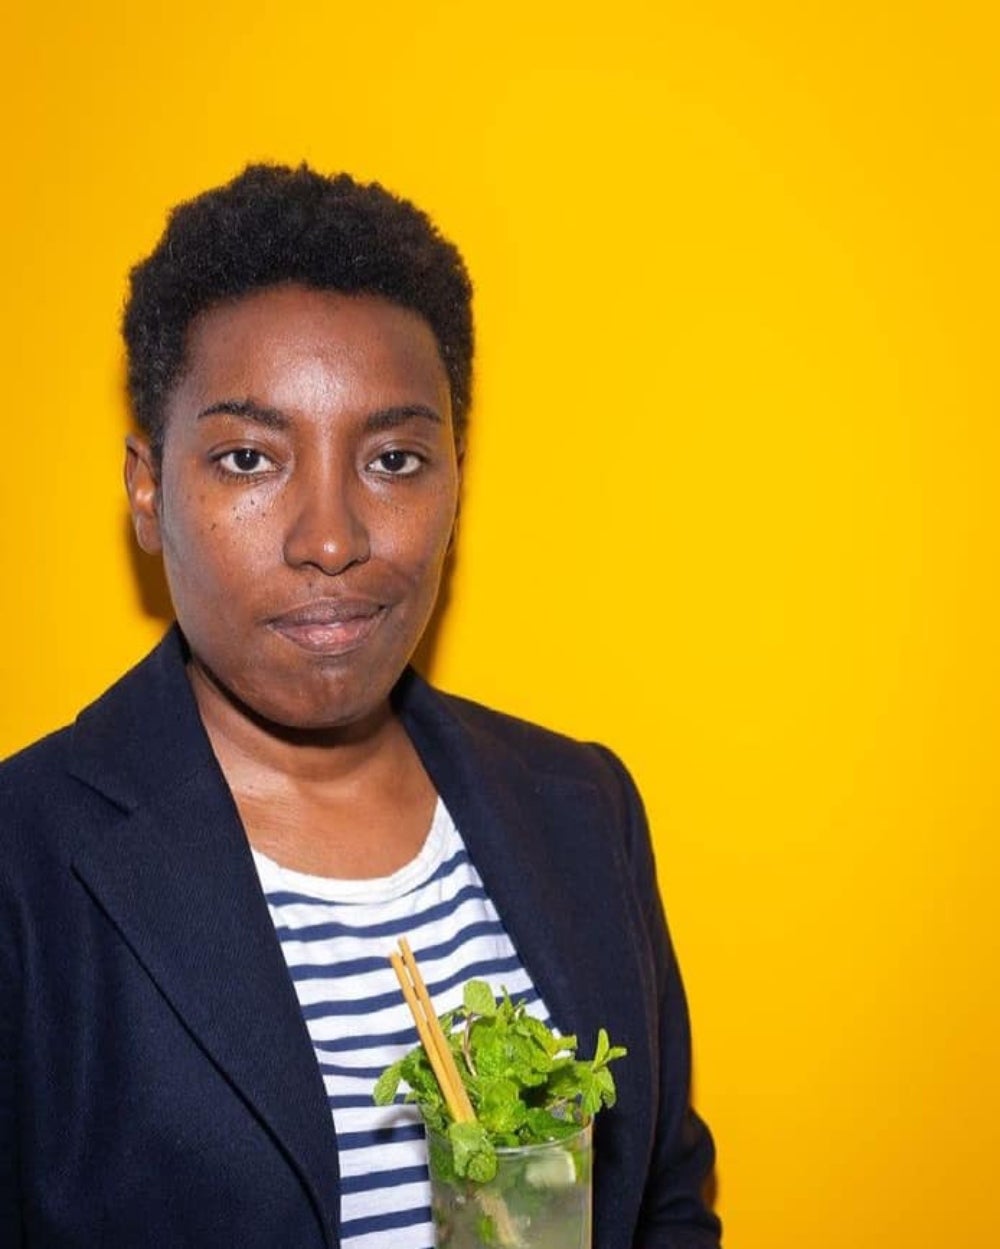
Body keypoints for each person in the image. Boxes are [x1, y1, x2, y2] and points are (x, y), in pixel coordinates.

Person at [0, 164, 721, 1249]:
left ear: (455, 481)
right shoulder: (24, 862)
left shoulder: (585, 809)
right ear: (147, 490)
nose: (331, 538)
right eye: (250, 458)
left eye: (393, 458)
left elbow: (663, 1199)